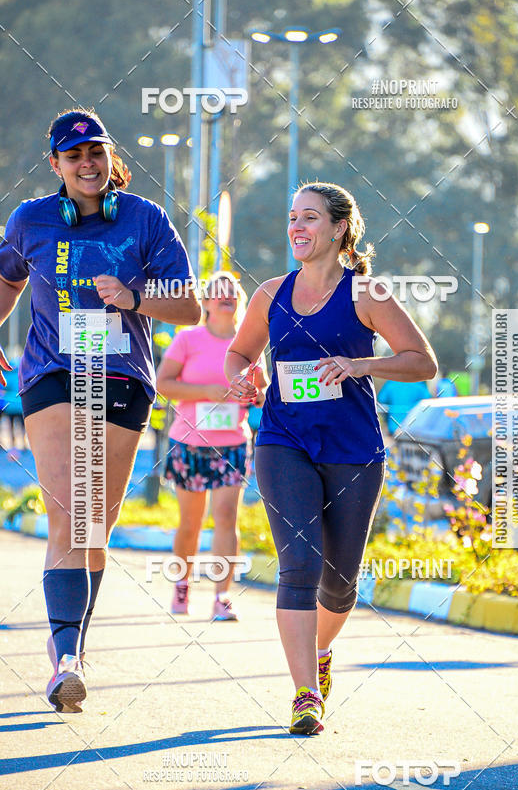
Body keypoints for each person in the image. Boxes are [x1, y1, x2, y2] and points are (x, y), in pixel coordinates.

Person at [0, 108, 201, 714]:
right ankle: (67, 659)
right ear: (56, 166)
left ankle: (74, 648)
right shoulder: (30, 219)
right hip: (53, 373)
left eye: (97, 153)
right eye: (74, 155)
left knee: (95, 521)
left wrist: (137, 296)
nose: (88, 164)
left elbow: (189, 307)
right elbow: (7, 281)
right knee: (67, 504)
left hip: (121, 376)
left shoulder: (144, 218)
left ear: (112, 160)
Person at [224, 181, 437, 735]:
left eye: (311, 217)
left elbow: (422, 362)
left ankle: (317, 653)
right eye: (293, 217)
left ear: (340, 228)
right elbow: (239, 352)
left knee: (340, 580)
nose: (297, 227)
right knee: (299, 565)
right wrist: (242, 377)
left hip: (352, 449)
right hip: (282, 442)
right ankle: (304, 695)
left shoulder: (367, 294)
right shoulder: (270, 293)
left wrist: (361, 365)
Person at [157, 271, 267, 619]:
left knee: (225, 518)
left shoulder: (250, 343)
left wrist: (257, 394)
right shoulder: (188, 339)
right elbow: (164, 384)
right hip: (188, 442)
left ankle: (222, 596)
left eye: (232, 291)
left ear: (240, 300)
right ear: (204, 302)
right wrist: (206, 392)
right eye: (218, 292)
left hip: (232, 444)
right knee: (190, 523)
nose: (226, 296)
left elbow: (263, 394)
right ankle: (182, 586)